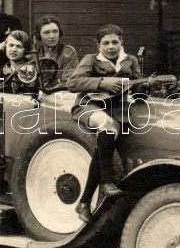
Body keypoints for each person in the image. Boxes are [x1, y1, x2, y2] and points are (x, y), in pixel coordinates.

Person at [67, 24, 142, 223]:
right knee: (106, 125)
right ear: (98, 45)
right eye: (106, 43)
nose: (111, 47)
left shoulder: (131, 61)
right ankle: (107, 182)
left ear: (121, 43)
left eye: (115, 42)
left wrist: (145, 89)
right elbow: (73, 83)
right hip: (88, 105)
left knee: (105, 142)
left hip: (117, 110)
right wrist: (102, 83)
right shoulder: (91, 60)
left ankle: (84, 202)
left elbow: (138, 88)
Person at [33, 15, 79, 86]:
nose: (52, 36)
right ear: (39, 35)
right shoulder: (35, 54)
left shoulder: (68, 52)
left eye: (55, 31)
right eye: (47, 33)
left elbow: (69, 80)